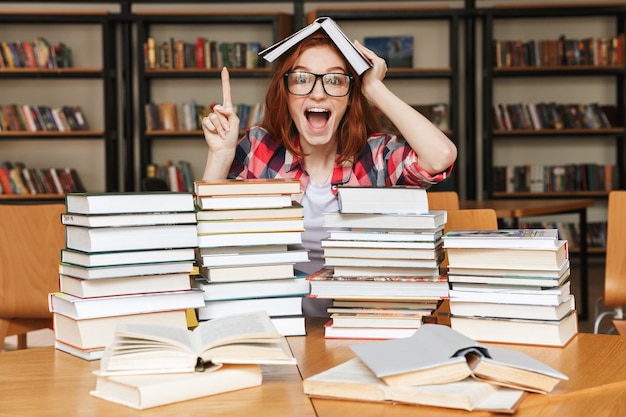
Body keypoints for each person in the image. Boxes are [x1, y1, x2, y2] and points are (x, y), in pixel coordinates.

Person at [201, 31, 457, 317]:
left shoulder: (376, 157)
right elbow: (210, 239)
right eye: (301, 79)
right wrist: (220, 155)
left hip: (364, 323)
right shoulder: (257, 148)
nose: (318, 92)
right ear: (284, 94)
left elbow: (440, 157)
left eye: (335, 80)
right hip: (276, 324)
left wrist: (373, 88)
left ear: (350, 98)